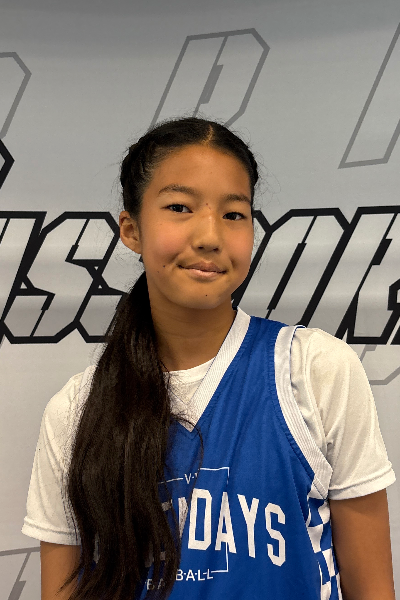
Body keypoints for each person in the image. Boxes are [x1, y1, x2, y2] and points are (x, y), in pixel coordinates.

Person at [22, 117, 396, 600]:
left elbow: (372, 588)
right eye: (179, 207)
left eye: (234, 214)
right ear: (131, 229)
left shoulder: (315, 369)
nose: (210, 236)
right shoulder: (75, 410)